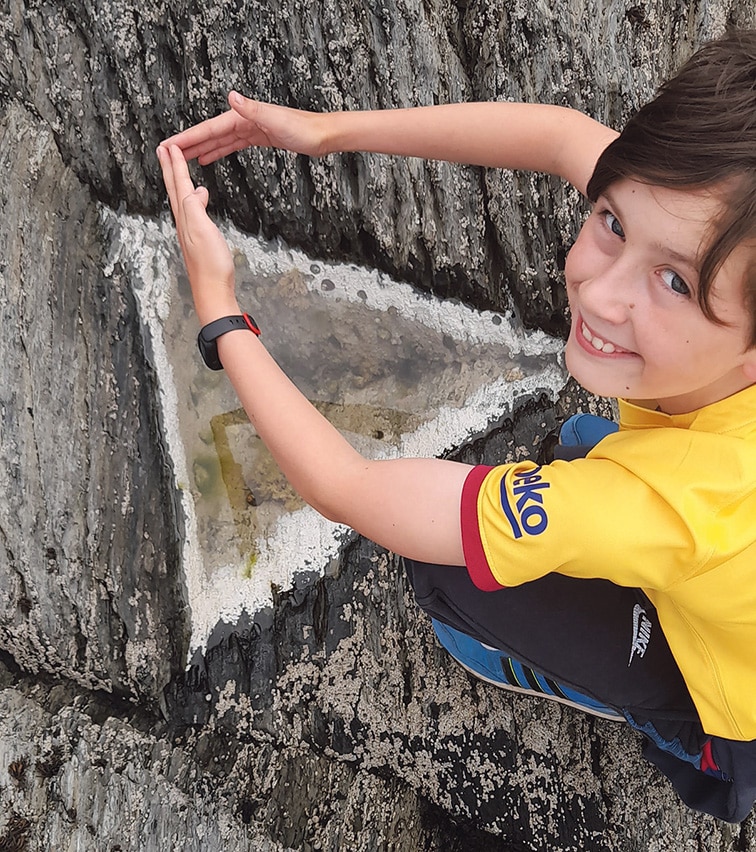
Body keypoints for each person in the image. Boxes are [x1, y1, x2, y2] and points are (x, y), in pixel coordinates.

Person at [158, 29, 756, 822]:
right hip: (709, 538)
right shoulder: (715, 219)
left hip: (734, 713)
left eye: (673, 282)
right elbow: (562, 137)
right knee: (581, 456)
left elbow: (351, 488)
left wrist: (220, 312)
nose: (602, 296)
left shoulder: (675, 501)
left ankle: (675, 730)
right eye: (611, 222)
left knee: (454, 565)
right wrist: (323, 131)